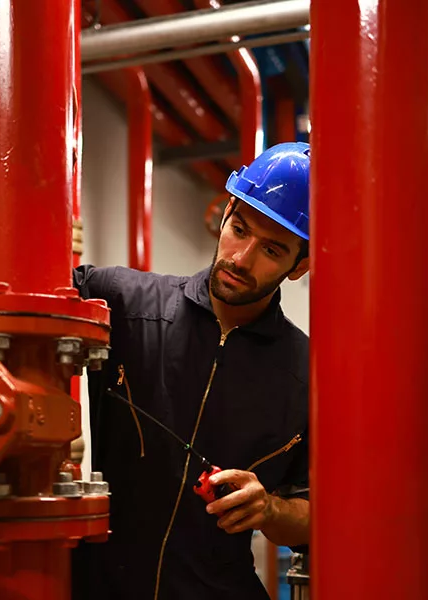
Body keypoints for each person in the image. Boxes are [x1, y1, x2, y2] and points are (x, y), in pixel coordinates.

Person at [70, 142, 311, 600]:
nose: (241, 258)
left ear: (300, 266)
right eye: (239, 229)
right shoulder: (122, 301)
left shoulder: (306, 373)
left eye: (272, 249)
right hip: (99, 583)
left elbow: (316, 518)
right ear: (225, 217)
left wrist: (269, 509)